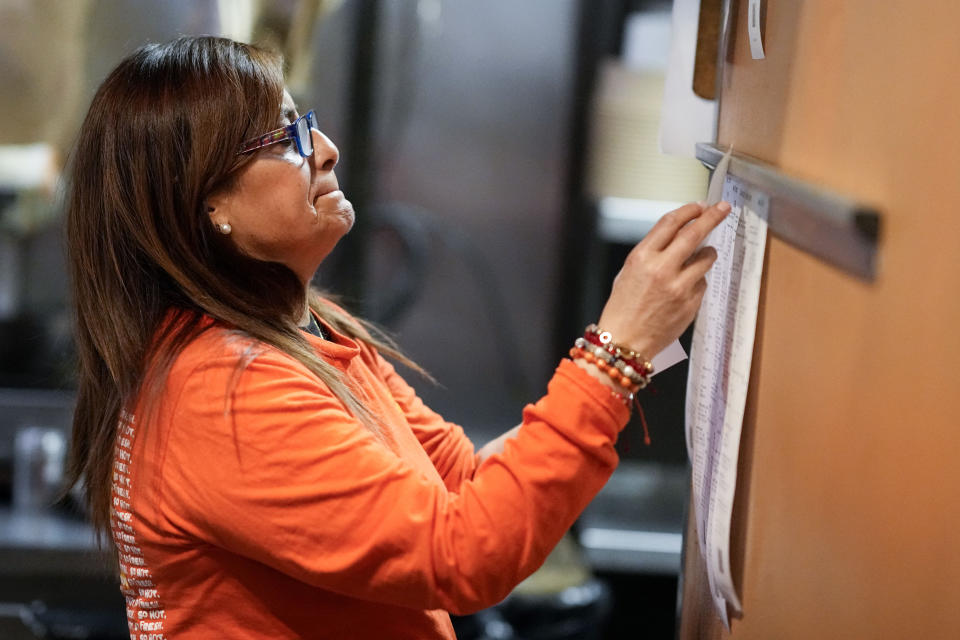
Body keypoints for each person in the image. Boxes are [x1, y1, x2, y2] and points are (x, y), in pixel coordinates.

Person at [64, 36, 729, 640]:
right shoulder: (223, 390)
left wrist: (630, 349)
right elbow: (461, 557)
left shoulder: (307, 326)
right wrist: (614, 355)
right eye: (283, 138)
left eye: (308, 122)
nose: (324, 149)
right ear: (210, 207)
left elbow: (463, 480)